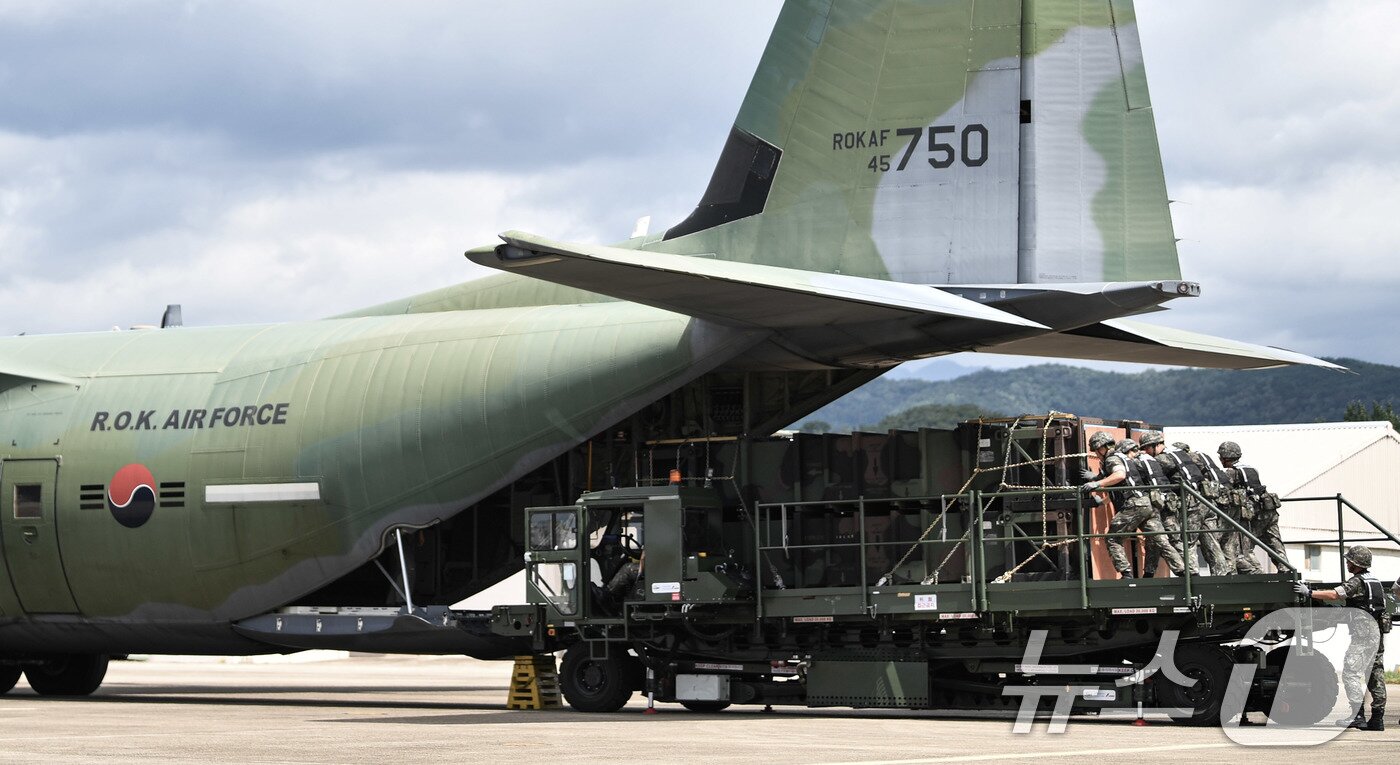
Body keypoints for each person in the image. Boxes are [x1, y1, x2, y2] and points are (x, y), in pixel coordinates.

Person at [1296, 545, 1387, 731]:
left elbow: (1335, 594)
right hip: (1376, 632)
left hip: (1363, 634)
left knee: (1350, 672)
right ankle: (1377, 718)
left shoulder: (1357, 581)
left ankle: (1358, 715)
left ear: (1357, 563)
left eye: (1350, 561)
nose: (1347, 563)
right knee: (1375, 673)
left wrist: (1309, 593)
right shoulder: (1375, 581)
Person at [1081, 435, 1185, 579]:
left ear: (1101, 448)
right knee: (1160, 540)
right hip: (1147, 504)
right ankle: (1183, 572)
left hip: (1133, 506)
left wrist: (1096, 484)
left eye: (1096, 451)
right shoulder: (1124, 457)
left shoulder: (1111, 459)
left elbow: (1120, 475)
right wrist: (1096, 480)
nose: (1096, 454)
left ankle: (1126, 574)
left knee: (1113, 538)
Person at [1144, 434, 1228, 575]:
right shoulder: (1184, 454)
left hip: (1191, 502)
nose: (1146, 451)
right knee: (1211, 541)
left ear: (1156, 445)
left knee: (1188, 541)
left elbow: (1150, 472)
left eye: (1147, 448)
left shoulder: (1162, 459)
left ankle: (1192, 577)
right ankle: (1223, 575)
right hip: (1206, 500)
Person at [1218, 441, 1287, 569]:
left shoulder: (1231, 472)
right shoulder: (1251, 469)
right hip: (1268, 509)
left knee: (1245, 548)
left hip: (1253, 514)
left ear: (1225, 457)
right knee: (1274, 542)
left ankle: (1256, 572)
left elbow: (1224, 491)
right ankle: (1286, 569)